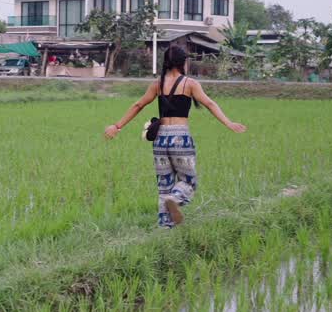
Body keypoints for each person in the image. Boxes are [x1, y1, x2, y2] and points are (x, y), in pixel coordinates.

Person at [104, 44, 247, 228]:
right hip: (180, 138)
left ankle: (165, 229)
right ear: (183, 62)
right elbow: (210, 104)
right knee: (188, 182)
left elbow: (138, 105)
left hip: (160, 139)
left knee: (164, 186)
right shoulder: (190, 84)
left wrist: (117, 126)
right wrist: (229, 123)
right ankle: (175, 198)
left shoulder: (157, 84)